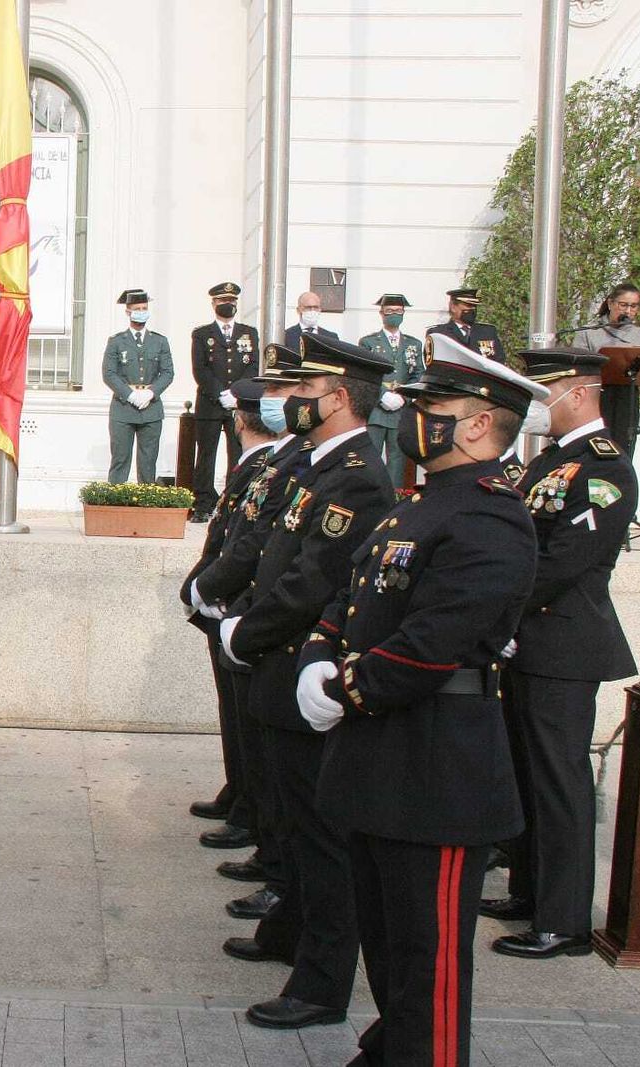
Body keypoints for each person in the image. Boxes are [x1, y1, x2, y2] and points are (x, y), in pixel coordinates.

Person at [300, 335, 545, 1067]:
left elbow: (433, 641)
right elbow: (353, 593)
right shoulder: (422, 504)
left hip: (439, 769)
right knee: (394, 961)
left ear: (477, 423)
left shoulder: (491, 515)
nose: (416, 416)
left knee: (429, 971)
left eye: (435, 405)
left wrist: (343, 686)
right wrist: (317, 652)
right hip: (382, 762)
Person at [216, 332, 394, 1031]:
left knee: (322, 840)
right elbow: (271, 552)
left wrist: (244, 630)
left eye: (300, 393)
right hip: (276, 664)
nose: (286, 403)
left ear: (338, 397)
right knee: (291, 820)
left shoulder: (356, 473)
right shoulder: (318, 465)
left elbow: (313, 576)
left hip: (299, 667)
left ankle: (321, 984)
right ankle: (287, 932)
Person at [483, 346, 639, 961]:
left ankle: (566, 919)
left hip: (562, 642)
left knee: (558, 781)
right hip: (527, 639)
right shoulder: (550, 461)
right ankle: (529, 891)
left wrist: (497, 608)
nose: (535, 408)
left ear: (575, 393)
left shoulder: (604, 468)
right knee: (523, 773)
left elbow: (563, 562)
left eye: (542, 394)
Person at [189, 344, 316, 921]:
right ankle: (251, 815)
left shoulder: (294, 464)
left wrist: (223, 597)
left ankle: (272, 851)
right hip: (240, 612)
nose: (281, 404)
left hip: (264, 621)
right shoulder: (278, 463)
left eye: (288, 392)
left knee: (273, 754)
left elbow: (268, 549)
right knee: (246, 729)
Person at [180, 377, 283, 841]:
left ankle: (250, 805)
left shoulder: (269, 468)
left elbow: (247, 545)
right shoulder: (254, 465)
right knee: (233, 711)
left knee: (248, 718)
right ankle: (238, 789)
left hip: (239, 604)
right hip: (227, 602)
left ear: (238, 419)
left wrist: (203, 588)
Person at [192, 282, 261, 520]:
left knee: (238, 454)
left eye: (231, 301)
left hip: (239, 405)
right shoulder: (202, 334)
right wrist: (221, 394)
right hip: (210, 403)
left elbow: (253, 366)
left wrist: (237, 393)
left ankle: (232, 501)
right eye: (223, 301)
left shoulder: (248, 333)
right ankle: (203, 504)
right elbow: (200, 370)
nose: (228, 305)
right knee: (206, 455)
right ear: (214, 304)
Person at [103, 288, 174, 484]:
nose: (141, 311)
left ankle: (145, 507)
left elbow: (168, 372)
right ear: (128, 311)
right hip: (123, 408)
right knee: (120, 459)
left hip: (150, 408)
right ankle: (116, 505)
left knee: (148, 462)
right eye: (137, 308)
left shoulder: (159, 341)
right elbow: (109, 373)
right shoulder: (116, 341)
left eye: (144, 308)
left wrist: (150, 393)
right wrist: (130, 394)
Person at [573, 283, 640, 457]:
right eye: (623, 305)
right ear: (610, 304)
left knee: (623, 447)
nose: (628, 311)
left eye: (633, 306)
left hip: (626, 397)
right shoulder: (589, 332)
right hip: (596, 397)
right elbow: (578, 366)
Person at [357, 294, 425, 486]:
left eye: (398, 311)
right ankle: (370, 496)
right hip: (376, 410)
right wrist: (382, 395)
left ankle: (394, 498)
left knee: (397, 460)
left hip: (401, 410)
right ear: (381, 314)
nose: (394, 315)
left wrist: (405, 397)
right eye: (389, 311)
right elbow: (365, 374)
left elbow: (418, 374)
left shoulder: (413, 344)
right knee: (371, 458)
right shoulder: (368, 342)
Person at [426, 287, 503, 363]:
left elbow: (499, 361)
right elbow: (434, 365)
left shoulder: (488, 332)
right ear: (453, 307)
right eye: (468, 305)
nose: (472, 309)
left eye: (475, 306)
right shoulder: (439, 334)